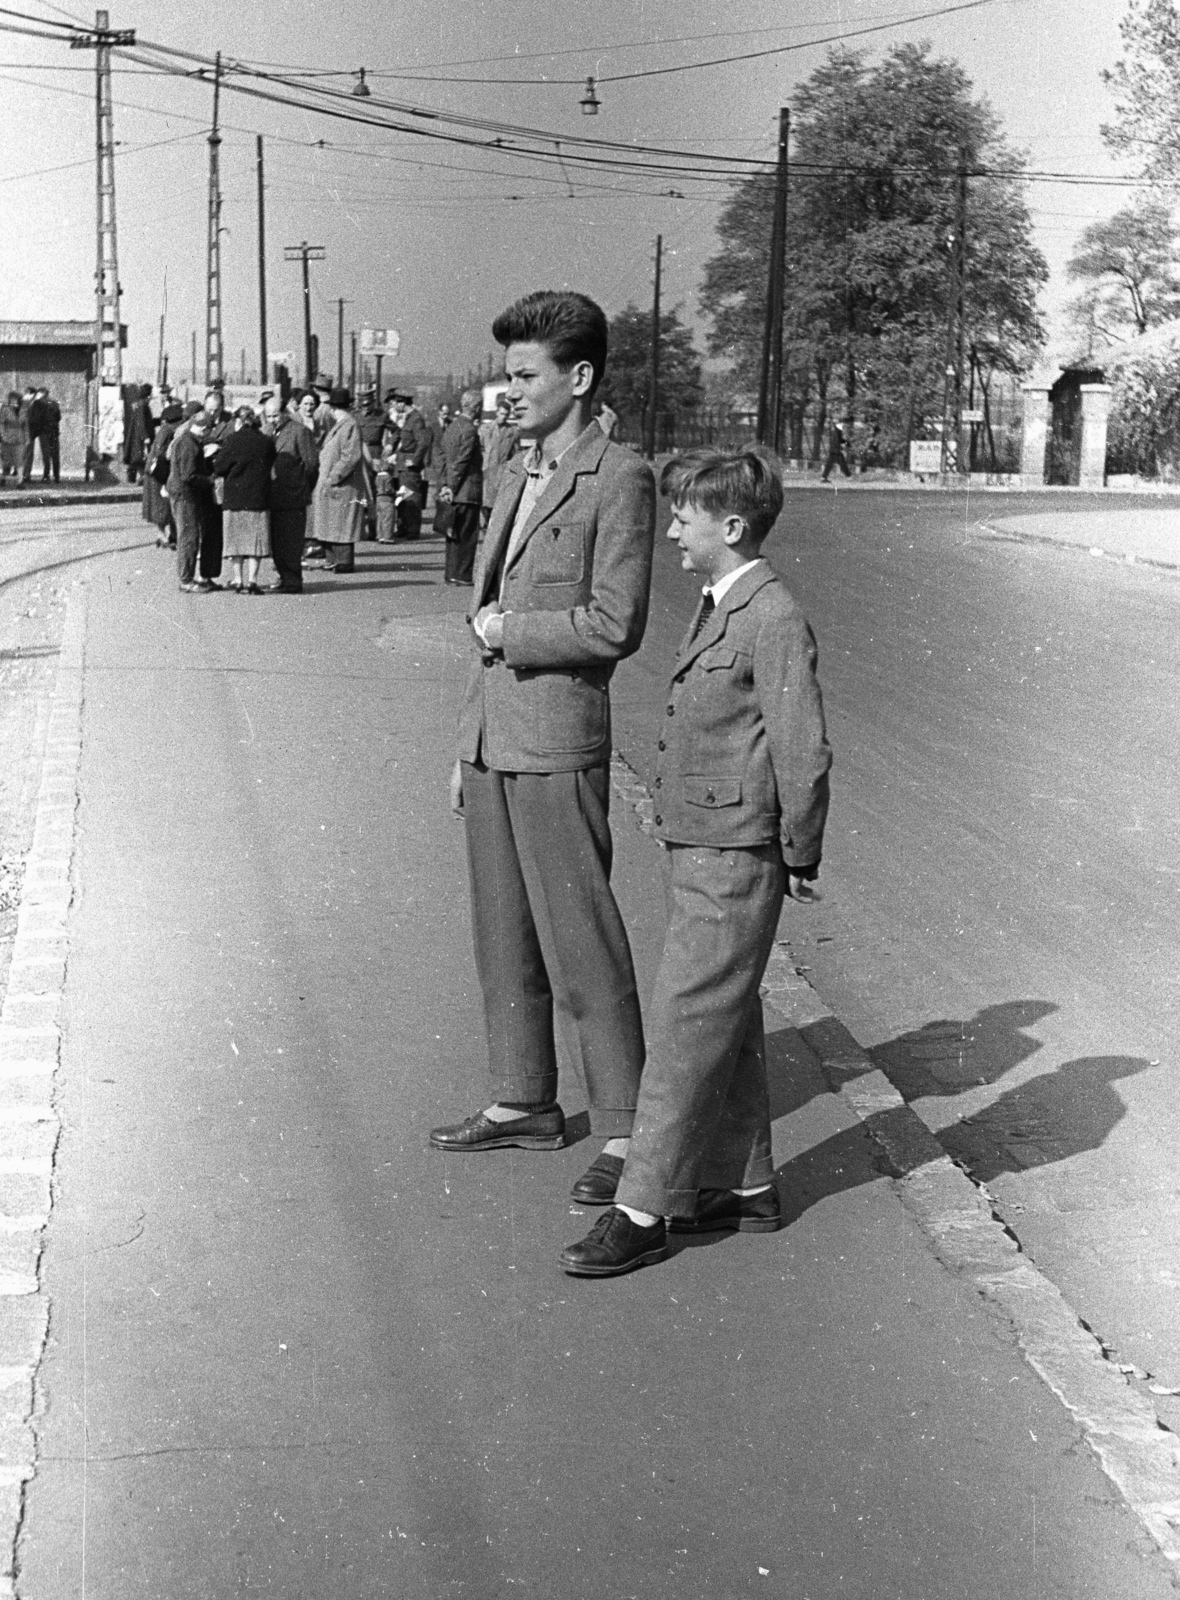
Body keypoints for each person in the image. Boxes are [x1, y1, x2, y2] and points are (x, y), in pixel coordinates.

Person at [560, 450, 832, 1277]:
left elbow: (803, 749)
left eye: (687, 515)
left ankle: (642, 1207)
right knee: (726, 1014)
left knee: (684, 1025)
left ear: (733, 526)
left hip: (737, 853)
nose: (672, 527)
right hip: (706, 844)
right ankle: (745, 1188)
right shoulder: (725, 604)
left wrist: (797, 851)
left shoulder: (771, 616)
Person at [430, 289, 655, 1204]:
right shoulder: (518, 468)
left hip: (559, 739)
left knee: (580, 940)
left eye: (525, 375)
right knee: (503, 928)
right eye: (506, 372)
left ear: (581, 376)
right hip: (495, 737)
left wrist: (507, 633)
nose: (506, 390)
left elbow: (613, 624)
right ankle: (523, 1098)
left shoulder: (621, 477)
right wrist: (465, 742)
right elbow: (491, 609)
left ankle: (631, 1127)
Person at [212, 406, 276, 594]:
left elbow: (220, 467)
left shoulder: (231, 440)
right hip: (258, 498)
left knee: (235, 542)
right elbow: (271, 461)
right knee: (256, 542)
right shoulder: (265, 441)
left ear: (239, 421)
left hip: (235, 498)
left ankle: (238, 580)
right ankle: (252, 581)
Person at [263, 394, 317, 593]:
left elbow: (311, 464)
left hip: (293, 495)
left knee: (292, 541)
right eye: (268, 416)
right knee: (278, 541)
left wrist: (302, 486)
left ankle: (293, 581)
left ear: (285, 412)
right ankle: (283, 576)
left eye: (275, 416)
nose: (271, 420)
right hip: (274, 495)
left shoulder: (299, 431)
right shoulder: (268, 431)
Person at [313, 387, 366, 574]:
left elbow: (350, 456)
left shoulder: (349, 425)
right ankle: (332, 559)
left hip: (341, 483)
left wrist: (333, 476)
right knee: (331, 522)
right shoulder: (342, 424)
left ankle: (343, 561)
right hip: (333, 483)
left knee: (341, 523)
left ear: (333, 408)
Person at [438, 388, 483, 585]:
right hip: (466, 490)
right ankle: (462, 574)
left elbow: (442, 458)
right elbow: (463, 462)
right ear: (477, 408)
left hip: (452, 489)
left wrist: (444, 486)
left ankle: (451, 573)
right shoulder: (470, 430)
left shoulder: (451, 427)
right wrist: (453, 487)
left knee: (453, 534)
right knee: (467, 535)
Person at [168, 403, 214, 592]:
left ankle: (186, 577)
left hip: (180, 493)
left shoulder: (185, 439)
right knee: (189, 537)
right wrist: (209, 480)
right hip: (185, 495)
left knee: (187, 536)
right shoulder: (190, 445)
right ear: (203, 428)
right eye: (209, 429)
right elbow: (189, 476)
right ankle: (186, 580)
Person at [143, 398, 183, 546]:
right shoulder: (166, 431)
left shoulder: (167, 429)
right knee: (160, 505)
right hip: (158, 473)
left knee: (166, 505)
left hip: (160, 471)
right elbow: (160, 451)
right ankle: (161, 534)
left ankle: (171, 534)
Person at [392, 393, 429, 540]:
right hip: (401, 463)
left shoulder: (416, 419)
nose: (394, 407)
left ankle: (412, 530)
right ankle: (403, 528)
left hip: (409, 464)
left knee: (411, 496)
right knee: (402, 497)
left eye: (395, 403)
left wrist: (414, 460)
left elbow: (423, 442)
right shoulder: (408, 418)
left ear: (402, 403)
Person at [479, 395, 518, 529]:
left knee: (497, 504)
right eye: (501, 414)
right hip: (486, 472)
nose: (504, 417)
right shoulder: (486, 429)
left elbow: (515, 453)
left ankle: (491, 529)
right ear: (497, 413)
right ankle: (485, 526)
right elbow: (479, 448)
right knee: (485, 503)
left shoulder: (512, 432)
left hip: (501, 472)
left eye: (506, 415)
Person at [124, 384, 154, 483]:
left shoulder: (140, 404)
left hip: (138, 436)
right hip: (140, 438)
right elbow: (141, 422)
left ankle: (136, 477)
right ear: (148, 395)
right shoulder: (142, 405)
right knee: (141, 457)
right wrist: (145, 437)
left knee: (138, 458)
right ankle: (141, 478)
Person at [20, 387, 47, 485]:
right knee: (25, 455)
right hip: (23, 433)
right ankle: (23, 476)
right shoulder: (22, 404)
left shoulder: (34, 404)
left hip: (30, 433)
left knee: (29, 455)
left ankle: (26, 475)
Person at [38, 388, 61, 484]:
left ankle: (46, 476)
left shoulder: (39, 404)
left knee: (46, 455)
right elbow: (59, 417)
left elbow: (37, 417)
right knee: (55, 454)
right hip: (54, 431)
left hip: (44, 432)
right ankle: (56, 476)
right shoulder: (54, 403)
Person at [821, 416, 852, 482]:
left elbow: (838, 439)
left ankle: (824, 477)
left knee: (831, 463)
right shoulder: (838, 428)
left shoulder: (836, 428)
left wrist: (846, 443)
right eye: (848, 424)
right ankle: (849, 476)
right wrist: (844, 444)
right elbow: (838, 439)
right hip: (836, 449)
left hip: (834, 449)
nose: (847, 426)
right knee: (841, 463)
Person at [0, 392, 21, 481]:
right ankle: (4, 478)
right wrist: (4, 436)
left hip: (18, 439)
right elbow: (2, 424)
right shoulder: (5, 409)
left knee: (18, 460)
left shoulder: (22, 410)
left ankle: (19, 481)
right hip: (7, 438)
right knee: (6, 459)